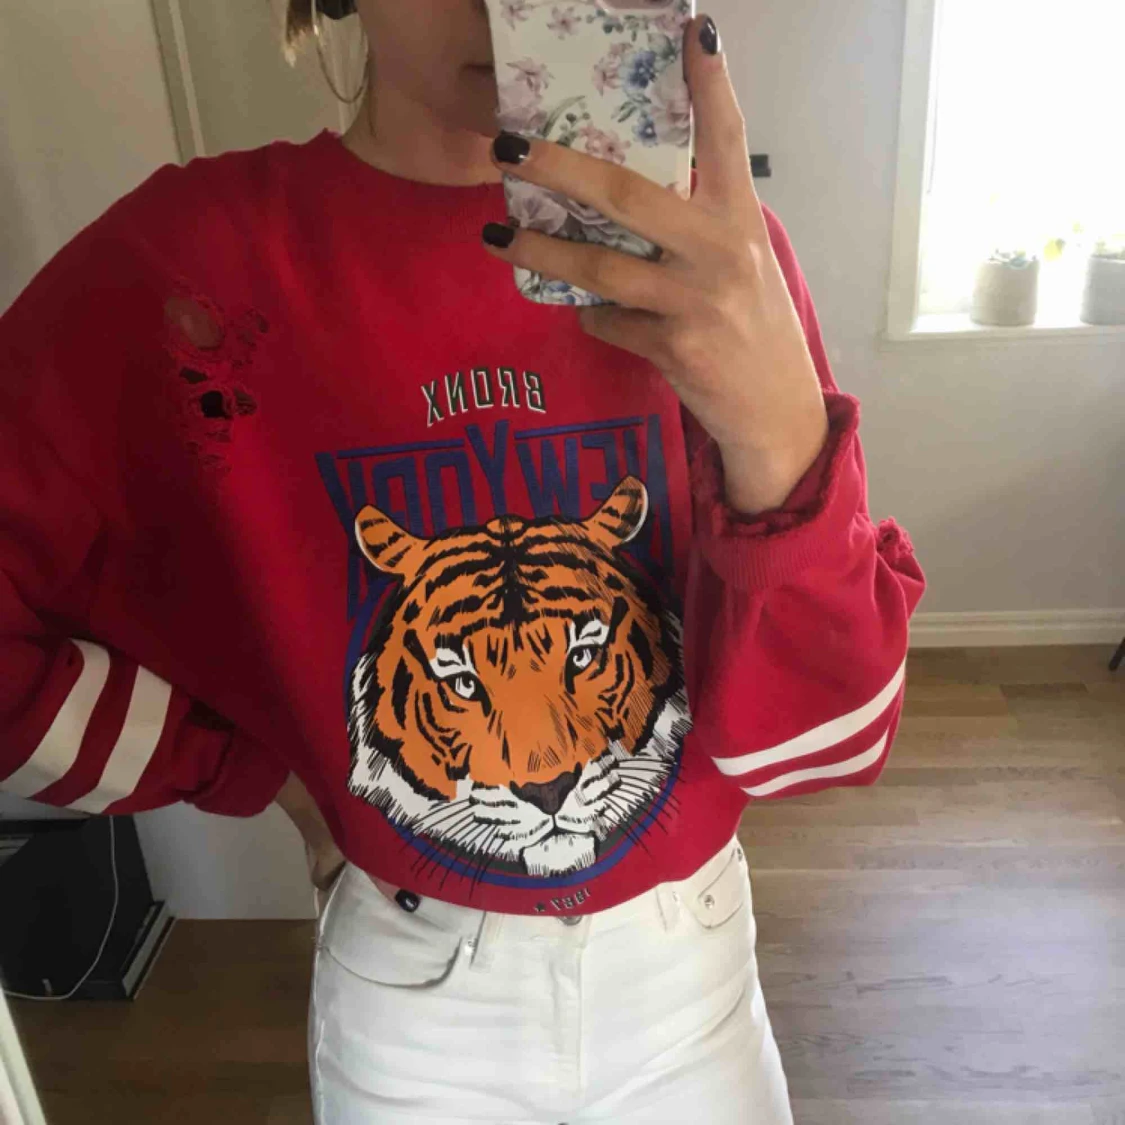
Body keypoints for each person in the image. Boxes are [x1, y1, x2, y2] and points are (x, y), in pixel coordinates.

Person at [0, 0, 925, 1121]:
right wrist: (247, 771)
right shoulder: (191, 263)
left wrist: (779, 441)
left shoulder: (715, 266)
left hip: (696, 976)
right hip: (416, 1004)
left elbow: (822, 748)